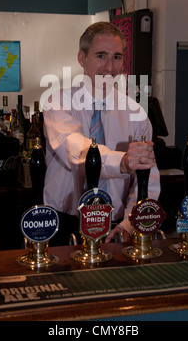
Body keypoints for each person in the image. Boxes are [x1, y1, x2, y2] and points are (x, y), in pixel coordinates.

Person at [42, 21, 160, 246]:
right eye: (100, 55)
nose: (109, 67)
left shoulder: (136, 112)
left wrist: (130, 222)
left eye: (117, 57)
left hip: (118, 226)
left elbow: (148, 179)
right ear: (82, 58)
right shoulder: (58, 102)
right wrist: (123, 163)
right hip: (67, 223)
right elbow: (74, 148)